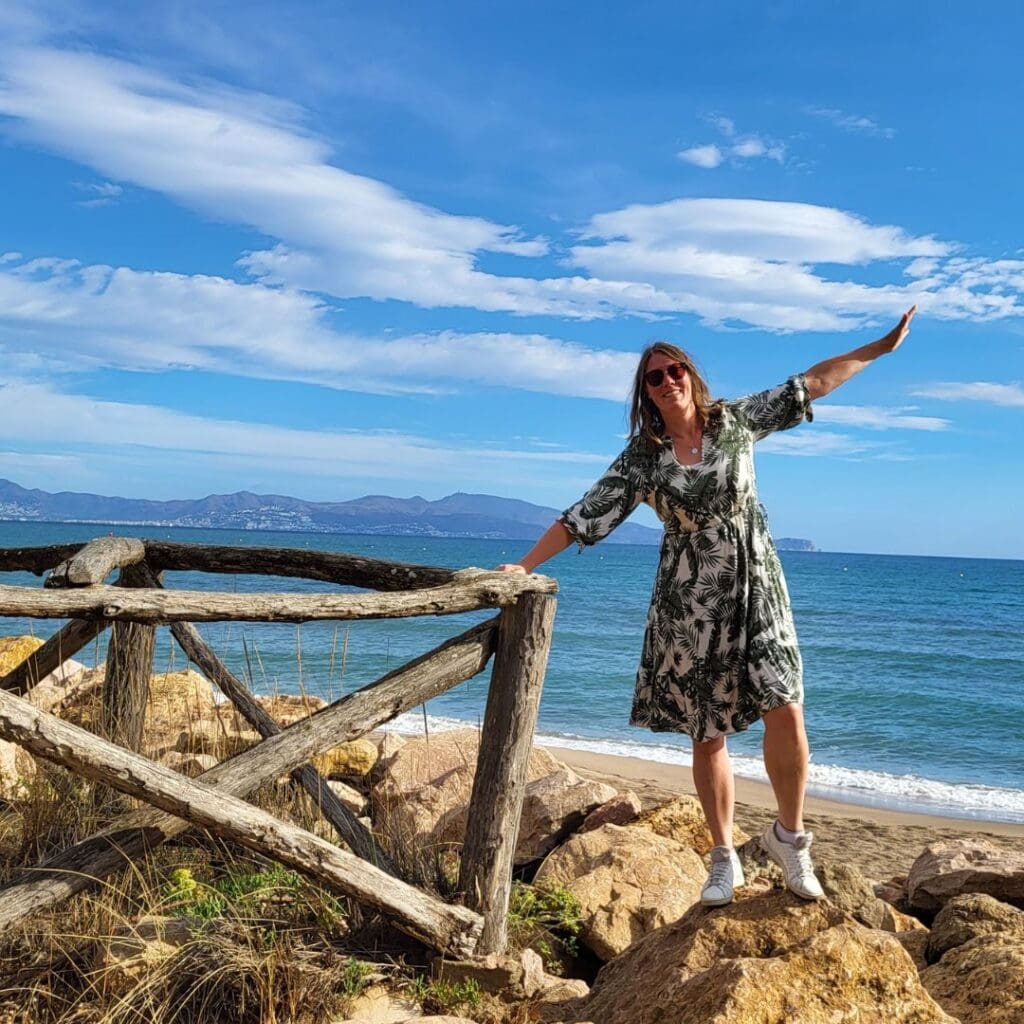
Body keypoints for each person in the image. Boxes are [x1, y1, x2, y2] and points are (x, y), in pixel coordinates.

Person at [498, 305, 917, 906]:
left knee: (786, 706)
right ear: (645, 395)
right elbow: (583, 516)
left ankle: (789, 838)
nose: (668, 381)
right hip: (690, 599)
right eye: (654, 377)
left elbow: (812, 382)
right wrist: (526, 565)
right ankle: (723, 858)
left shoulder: (736, 422)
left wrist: (880, 348)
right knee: (707, 730)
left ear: (692, 376)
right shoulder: (643, 459)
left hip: (757, 584)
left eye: (675, 370)